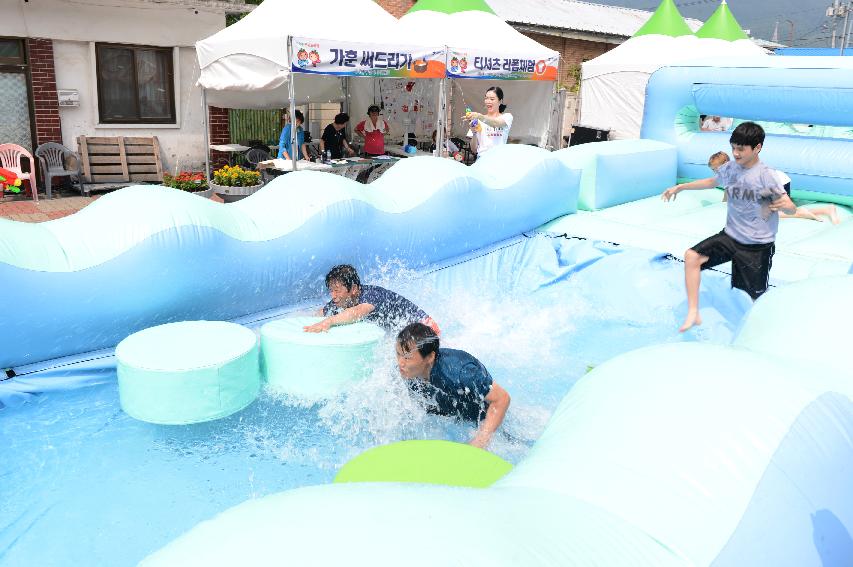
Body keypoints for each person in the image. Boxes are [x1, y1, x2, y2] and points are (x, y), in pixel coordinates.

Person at [662, 122, 797, 332]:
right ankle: (693, 313)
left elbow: (789, 207)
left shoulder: (766, 175)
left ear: (757, 148)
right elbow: (711, 181)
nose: (735, 153)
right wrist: (680, 187)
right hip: (730, 237)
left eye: (741, 149)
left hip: (756, 247)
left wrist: (787, 206)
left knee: (753, 299)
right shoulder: (731, 168)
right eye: (733, 147)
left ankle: (762, 332)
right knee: (692, 257)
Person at [395, 322, 510, 449]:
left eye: (407, 358)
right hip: (449, 411)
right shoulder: (409, 372)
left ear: (430, 357)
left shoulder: (461, 373)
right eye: (398, 354)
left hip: (480, 418)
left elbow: (502, 399)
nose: (400, 363)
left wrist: (481, 440)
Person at [304, 264, 441, 334]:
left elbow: (356, 312)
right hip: (405, 333)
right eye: (331, 291)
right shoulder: (340, 300)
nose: (333, 296)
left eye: (337, 291)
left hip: (426, 328)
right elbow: (321, 313)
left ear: (354, 289)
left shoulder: (371, 295)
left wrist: (329, 321)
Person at [709, 151, 840, 224]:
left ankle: (801, 213)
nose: (716, 173)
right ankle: (826, 209)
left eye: (717, 169)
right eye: (714, 170)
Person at [463, 86, 513, 158]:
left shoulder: (507, 117)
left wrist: (479, 116)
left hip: (499, 159)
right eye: (486, 98)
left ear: (500, 101)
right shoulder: (477, 120)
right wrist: (474, 133)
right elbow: (474, 149)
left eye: (492, 99)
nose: (488, 101)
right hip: (482, 159)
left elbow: (496, 123)